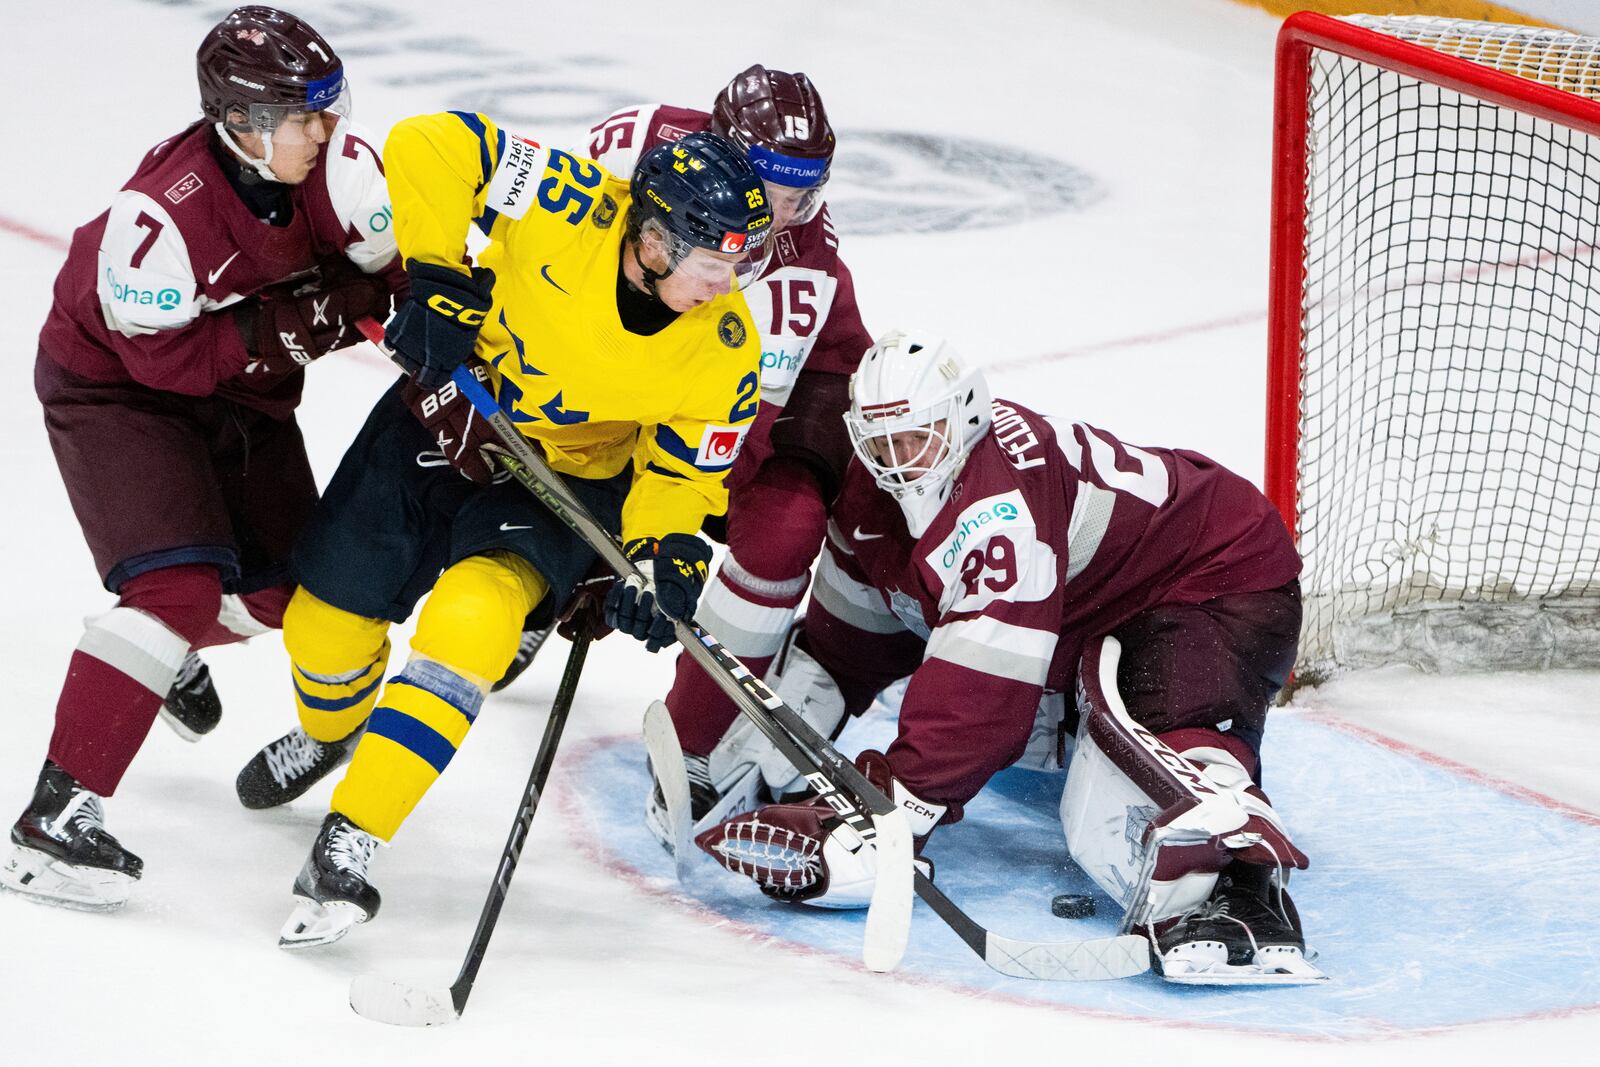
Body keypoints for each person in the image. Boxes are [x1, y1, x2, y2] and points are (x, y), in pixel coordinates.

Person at [240, 107, 774, 948]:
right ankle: (332, 730)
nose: (726, 284)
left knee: (474, 621)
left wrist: (660, 553)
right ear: (657, 240)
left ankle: (352, 838)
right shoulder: (572, 204)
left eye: (742, 263)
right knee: (324, 627)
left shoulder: (728, 344)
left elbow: (681, 472)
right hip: (450, 415)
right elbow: (430, 143)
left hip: (566, 481)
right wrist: (438, 275)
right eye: (712, 261)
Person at [681, 330, 1323, 984]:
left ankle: (1242, 890)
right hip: (1091, 600)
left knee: (1160, 749)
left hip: (1213, 573)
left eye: (917, 437)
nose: (900, 462)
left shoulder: (998, 507)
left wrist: (889, 818)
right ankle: (1083, 726)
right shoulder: (872, 494)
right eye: (882, 444)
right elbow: (857, 636)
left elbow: (985, 702)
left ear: (964, 417)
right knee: (1065, 738)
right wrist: (775, 743)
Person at [0, 6, 401, 912]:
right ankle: (53, 823)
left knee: (302, 588)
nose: (329, 130)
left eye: (330, 109)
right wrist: (310, 317)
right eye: (307, 116)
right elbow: (167, 361)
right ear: (245, 124)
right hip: (117, 391)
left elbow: (390, 279)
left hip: (238, 397)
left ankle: (159, 648)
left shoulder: (336, 171)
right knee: (174, 588)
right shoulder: (161, 220)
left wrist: (422, 311)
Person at [489, 65, 873, 717]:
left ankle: (720, 714)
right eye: (769, 190)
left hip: (797, 395)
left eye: (800, 200)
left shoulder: (798, 272)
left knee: (779, 524)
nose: (781, 217)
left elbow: (725, 436)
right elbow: (561, 256)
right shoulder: (637, 140)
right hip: (677, 347)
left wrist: (633, 547)